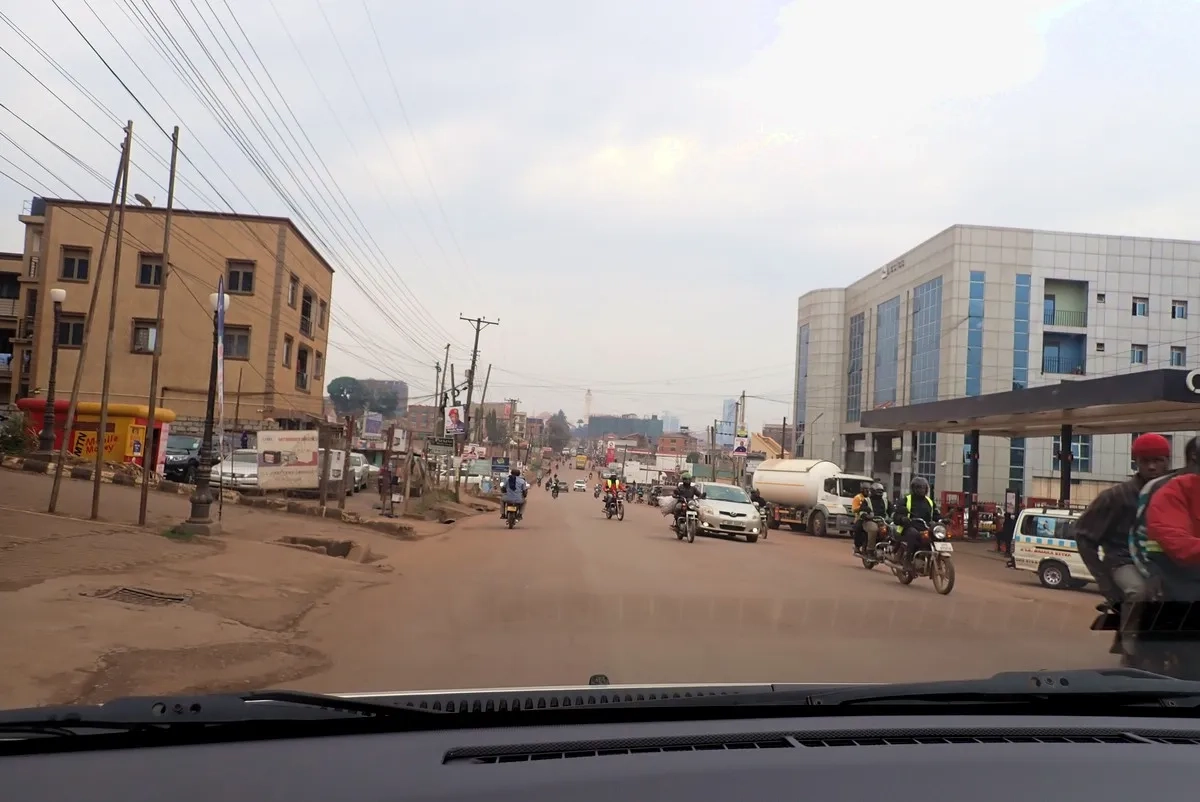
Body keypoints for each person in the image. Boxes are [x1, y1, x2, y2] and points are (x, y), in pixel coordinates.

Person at [1076, 433, 1171, 607]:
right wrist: (1104, 582)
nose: (1151, 467)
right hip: (1124, 560)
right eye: (1145, 461)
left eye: (1158, 460)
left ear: (1168, 461)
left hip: (1162, 562)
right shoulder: (1115, 497)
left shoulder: (1175, 494)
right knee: (1139, 592)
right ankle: (1130, 634)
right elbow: (1083, 537)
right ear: (1136, 462)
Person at [892, 477, 940, 567]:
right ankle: (908, 559)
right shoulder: (906, 500)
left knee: (938, 535)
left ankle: (936, 558)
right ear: (913, 488)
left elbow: (936, 515)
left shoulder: (930, 502)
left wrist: (942, 519)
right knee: (913, 534)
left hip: (925, 527)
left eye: (923, 488)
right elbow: (896, 515)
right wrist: (902, 519)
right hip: (908, 527)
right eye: (919, 488)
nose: (922, 490)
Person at [855, 482, 892, 556]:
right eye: (878, 491)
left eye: (881, 491)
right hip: (870, 521)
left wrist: (894, 516)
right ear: (872, 491)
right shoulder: (867, 500)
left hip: (883, 521)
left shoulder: (885, 501)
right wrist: (867, 516)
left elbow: (892, 510)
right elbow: (862, 511)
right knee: (873, 529)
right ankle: (870, 550)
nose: (880, 493)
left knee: (892, 529)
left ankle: (891, 549)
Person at [850, 481, 872, 555]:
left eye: (868, 490)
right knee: (858, 528)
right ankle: (857, 546)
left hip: (870, 518)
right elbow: (853, 509)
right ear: (862, 490)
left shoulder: (869, 498)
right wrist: (862, 508)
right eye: (866, 489)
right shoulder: (858, 498)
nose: (867, 491)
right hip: (860, 518)